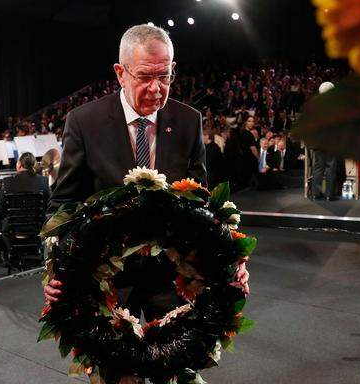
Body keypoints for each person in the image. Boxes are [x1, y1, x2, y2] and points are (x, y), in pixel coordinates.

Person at [44, 24, 248, 322]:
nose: (156, 88)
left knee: (172, 367)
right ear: (120, 72)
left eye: (164, 76)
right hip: (105, 282)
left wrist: (231, 259)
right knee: (112, 370)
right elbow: (63, 205)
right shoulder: (83, 123)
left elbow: (202, 205)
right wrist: (54, 268)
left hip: (170, 281)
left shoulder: (189, 121)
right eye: (144, 76)